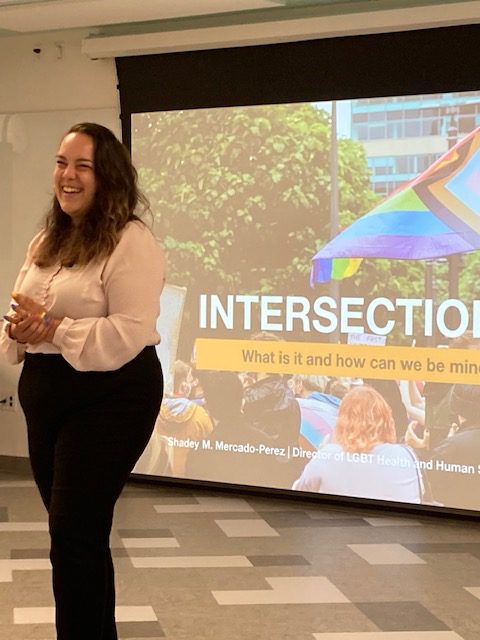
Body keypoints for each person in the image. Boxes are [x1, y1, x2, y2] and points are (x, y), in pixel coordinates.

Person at [0, 123, 166, 640]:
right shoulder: (47, 239)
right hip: (48, 396)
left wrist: (49, 326)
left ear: (107, 176)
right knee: (79, 537)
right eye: (61, 163)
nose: (67, 176)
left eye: (82, 166)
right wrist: (22, 330)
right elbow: (19, 311)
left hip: (113, 397)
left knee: (72, 536)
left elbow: (129, 332)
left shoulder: (131, 241)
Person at [292, 385, 423, 503]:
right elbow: (420, 494)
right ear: (387, 419)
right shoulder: (406, 455)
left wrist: (323, 452)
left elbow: (298, 493)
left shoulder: (327, 455)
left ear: (343, 420)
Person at [135, 359, 212, 477]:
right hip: (187, 478)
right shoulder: (200, 415)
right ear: (184, 386)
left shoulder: (150, 409)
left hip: (153, 473)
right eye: (190, 379)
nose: (193, 383)